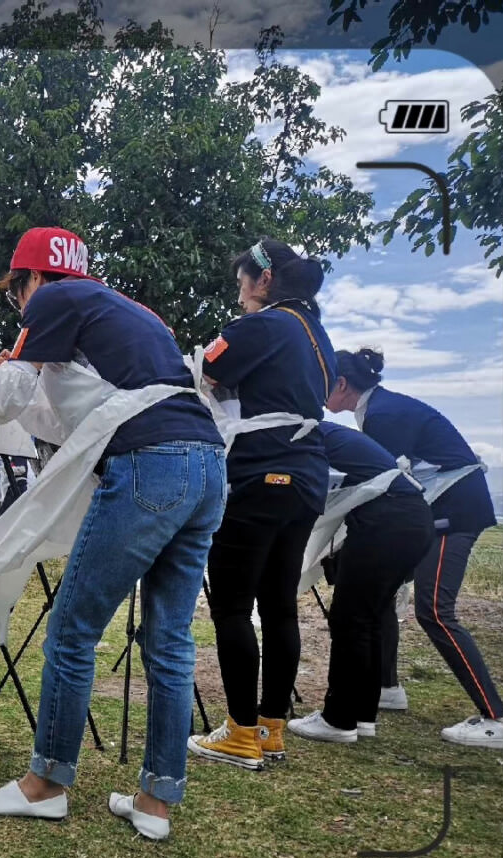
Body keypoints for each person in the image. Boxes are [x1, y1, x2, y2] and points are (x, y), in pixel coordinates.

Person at [0, 225, 225, 840]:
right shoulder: (130, 313)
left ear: (32, 278)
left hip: (150, 463)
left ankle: (45, 786)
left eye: (15, 292)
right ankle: (156, 802)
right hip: (208, 464)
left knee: (73, 631)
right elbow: (71, 414)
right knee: (170, 641)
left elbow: (2, 401)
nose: (19, 307)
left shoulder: (53, 300)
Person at [326, 347, 503, 749]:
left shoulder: (383, 415)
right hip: (433, 510)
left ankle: (499, 720)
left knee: (434, 609)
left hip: (453, 510)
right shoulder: (378, 408)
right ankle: (386, 687)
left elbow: (383, 481)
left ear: (342, 384)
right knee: (379, 592)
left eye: (322, 383)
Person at [188, 238, 336, 772]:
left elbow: (202, 371)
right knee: (278, 606)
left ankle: (240, 733)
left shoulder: (265, 325)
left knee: (232, 606)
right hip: (308, 475)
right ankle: (271, 728)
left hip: (261, 472)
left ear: (264, 279)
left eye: (242, 284)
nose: (239, 296)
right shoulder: (317, 335)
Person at [287, 421, 435, 744]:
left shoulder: (299, 433)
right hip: (414, 517)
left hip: (386, 520)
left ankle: (338, 719)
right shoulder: (326, 431)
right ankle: (362, 716)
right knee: (371, 617)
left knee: (349, 619)